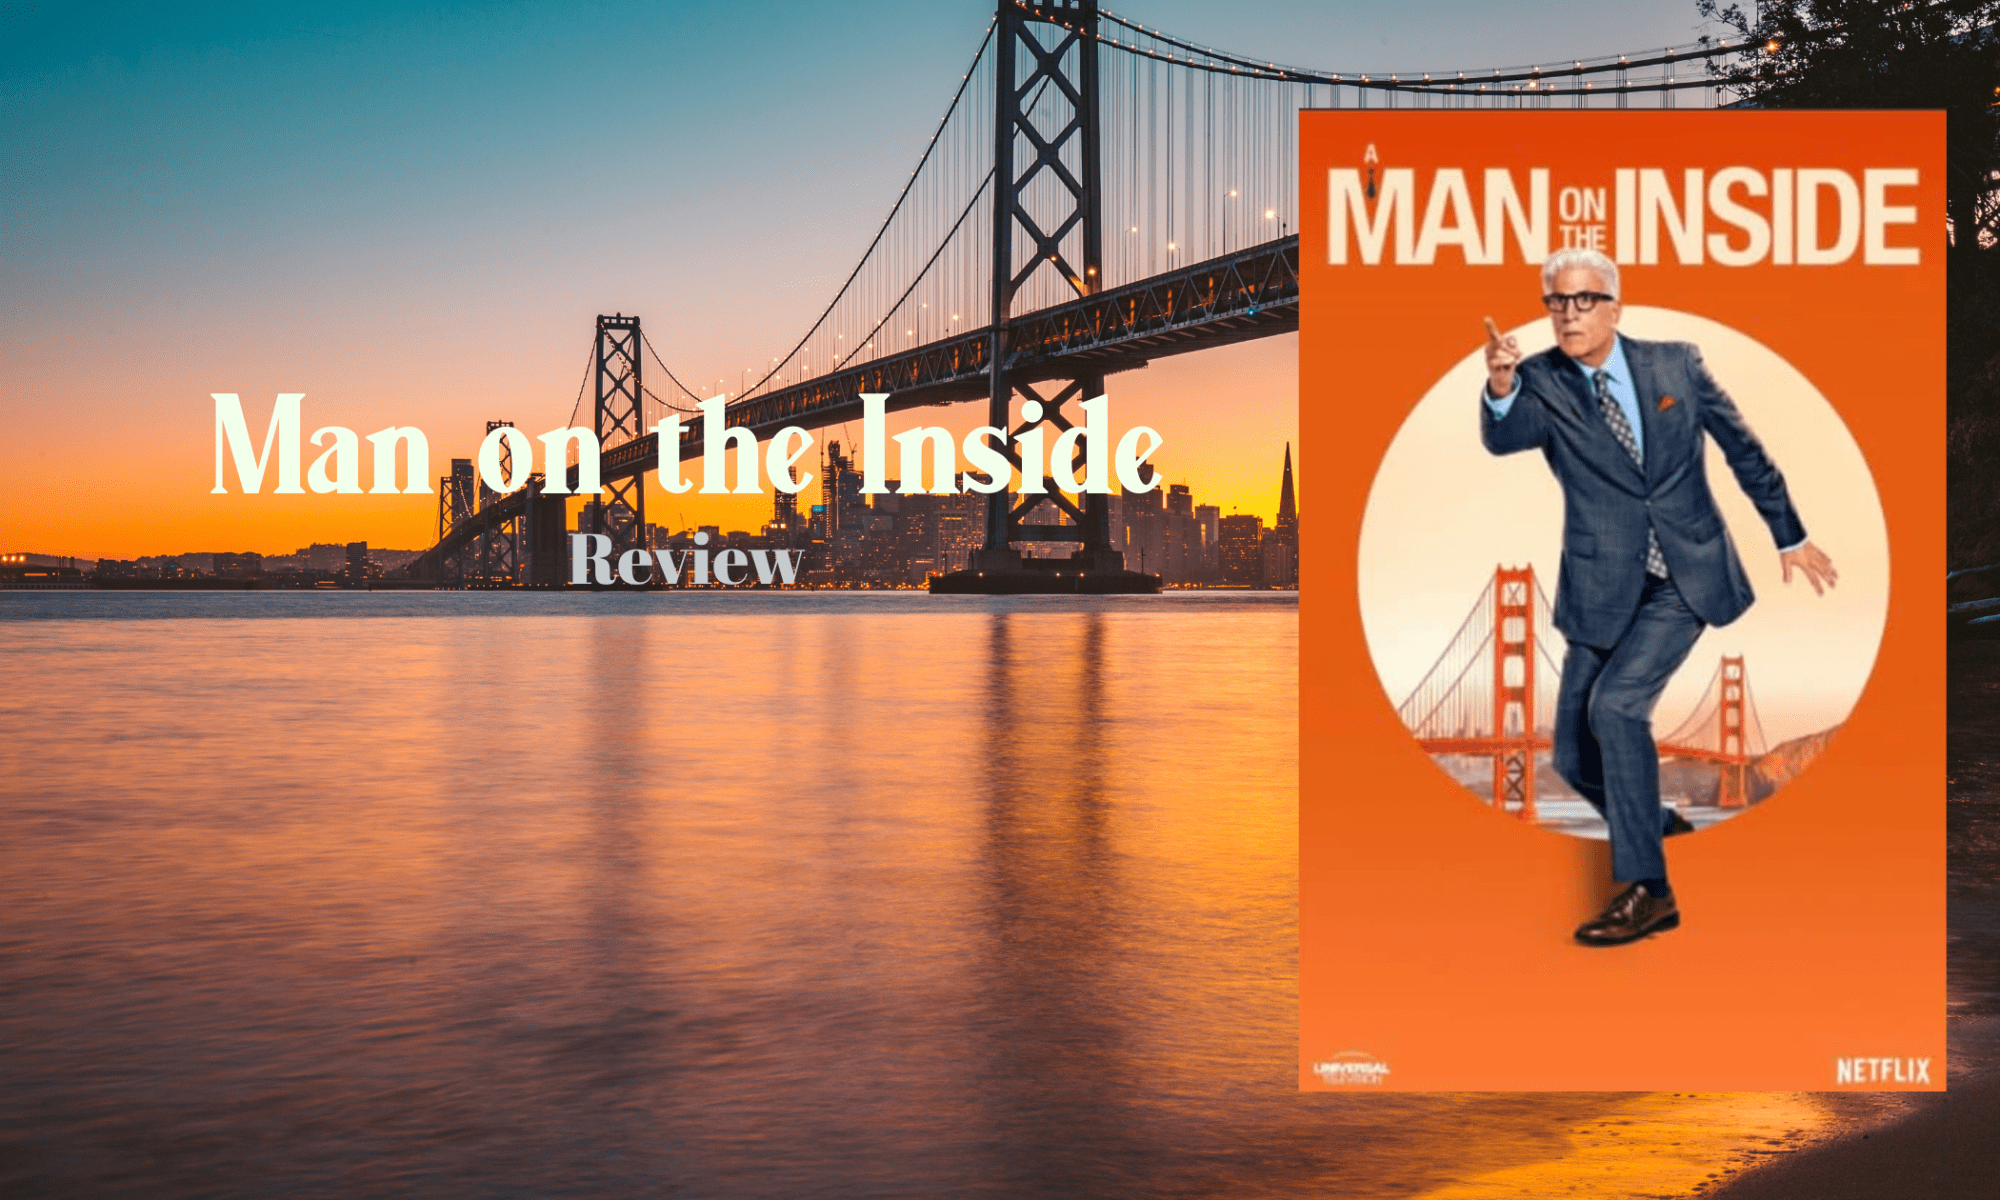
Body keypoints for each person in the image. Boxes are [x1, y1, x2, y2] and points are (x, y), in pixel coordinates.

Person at [1480, 247, 1837, 947]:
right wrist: (1499, 387)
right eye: (1557, 301)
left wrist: (1789, 535)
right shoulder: (1540, 380)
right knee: (1572, 758)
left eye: (1585, 300)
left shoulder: (1677, 365)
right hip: (1600, 586)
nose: (1569, 314)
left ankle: (1651, 892)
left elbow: (1743, 449)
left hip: (1685, 574)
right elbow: (1505, 437)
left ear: (1615, 307)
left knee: (1616, 707)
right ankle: (1653, 824)